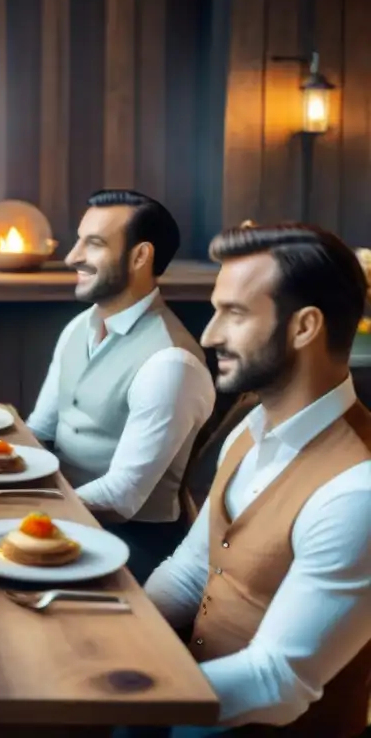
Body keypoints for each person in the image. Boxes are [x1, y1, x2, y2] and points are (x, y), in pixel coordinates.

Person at [145, 223, 371, 737]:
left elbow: (278, 682)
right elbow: (190, 570)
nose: (208, 335)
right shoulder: (250, 425)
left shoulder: (358, 490)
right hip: (184, 705)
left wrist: (116, 691)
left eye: (236, 313)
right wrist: (112, 634)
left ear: (304, 327)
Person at [28, 189, 216, 581]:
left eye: (93, 244)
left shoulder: (171, 363)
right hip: (64, 521)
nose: (71, 256)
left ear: (140, 257)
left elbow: (122, 498)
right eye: (79, 239)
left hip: (132, 548)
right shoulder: (78, 328)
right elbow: (40, 432)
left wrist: (31, 511)